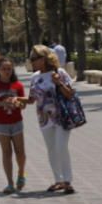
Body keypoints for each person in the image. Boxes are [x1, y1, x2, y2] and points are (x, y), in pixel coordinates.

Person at [27, 44, 77, 195]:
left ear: (45, 58)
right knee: (51, 149)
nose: (32, 61)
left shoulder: (59, 72)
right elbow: (31, 99)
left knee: (61, 146)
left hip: (61, 116)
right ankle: (58, 180)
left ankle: (67, 180)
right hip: (44, 118)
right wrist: (17, 100)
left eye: (35, 58)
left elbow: (70, 94)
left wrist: (58, 82)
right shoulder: (34, 77)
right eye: (31, 58)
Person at [0, 58, 28, 194]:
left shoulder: (18, 86)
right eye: (3, 69)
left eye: (9, 69)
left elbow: (24, 105)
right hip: (0, 123)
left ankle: (21, 173)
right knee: (7, 152)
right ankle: (10, 183)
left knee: (20, 152)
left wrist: (17, 103)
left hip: (16, 122)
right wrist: (2, 103)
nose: (7, 71)